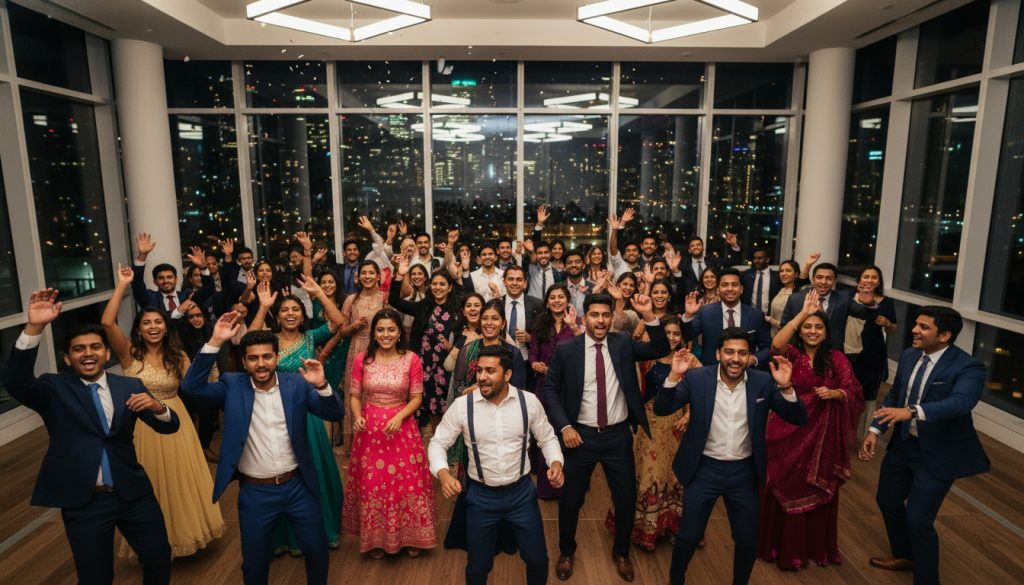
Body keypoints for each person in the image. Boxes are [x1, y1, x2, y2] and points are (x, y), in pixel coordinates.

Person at [3, 289, 179, 585]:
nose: (88, 353)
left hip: (134, 493)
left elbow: (169, 426)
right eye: (79, 349)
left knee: (159, 558)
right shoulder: (54, 389)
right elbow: (15, 381)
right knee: (95, 577)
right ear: (68, 358)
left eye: (95, 347)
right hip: (85, 501)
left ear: (106, 353)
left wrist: (158, 406)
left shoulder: (129, 386)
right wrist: (34, 328)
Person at [181, 317, 342, 585]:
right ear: (244, 362)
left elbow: (334, 412)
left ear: (276, 357)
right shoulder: (232, 385)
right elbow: (191, 388)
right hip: (256, 492)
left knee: (316, 551)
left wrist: (321, 385)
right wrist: (215, 341)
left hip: (298, 486)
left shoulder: (296, 384)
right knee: (255, 564)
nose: (261, 363)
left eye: (267, 356)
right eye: (253, 358)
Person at [653, 329, 807, 585]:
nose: (735, 359)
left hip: (744, 472)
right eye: (729, 352)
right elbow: (662, 408)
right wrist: (674, 376)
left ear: (749, 357)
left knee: (747, 539)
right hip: (704, 468)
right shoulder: (697, 378)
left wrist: (786, 386)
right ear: (718, 354)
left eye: (742, 353)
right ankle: (676, 580)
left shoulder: (763, 382)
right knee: (689, 534)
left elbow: (798, 418)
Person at [859, 306, 990, 585]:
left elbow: (961, 402)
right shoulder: (909, 355)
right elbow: (896, 394)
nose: (914, 330)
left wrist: (912, 411)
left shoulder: (968, 367)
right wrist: (874, 429)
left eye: (923, 327)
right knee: (887, 500)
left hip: (939, 453)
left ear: (944, 335)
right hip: (904, 445)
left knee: (919, 520)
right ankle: (905, 555)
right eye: (916, 324)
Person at [101, 265, 225, 559]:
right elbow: (107, 323)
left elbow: (195, 386)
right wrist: (122, 285)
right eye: (147, 323)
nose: (154, 327)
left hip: (175, 421)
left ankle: (184, 535)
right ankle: (153, 542)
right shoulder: (129, 352)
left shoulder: (177, 355)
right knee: (150, 482)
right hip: (138, 425)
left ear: (166, 327)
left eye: (159, 322)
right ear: (139, 329)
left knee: (181, 479)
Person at [544, 292, 668, 582]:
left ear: (612, 318)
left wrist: (649, 315)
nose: (600, 320)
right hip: (580, 436)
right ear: (585, 317)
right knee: (571, 500)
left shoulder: (622, 343)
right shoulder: (567, 349)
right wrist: (565, 427)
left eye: (605, 315)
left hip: (617, 437)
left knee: (626, 498)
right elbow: (550, 390)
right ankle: (566, 551)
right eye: (595, 315)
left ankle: (621, 553)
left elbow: (660, 347)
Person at [429, 345, 566, 585]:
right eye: (480, 370)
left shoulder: (529, 402)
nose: (482, 377)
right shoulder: (463, 406)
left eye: (490, 371)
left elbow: (547, 438)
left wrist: (555, 462)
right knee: (477, 568)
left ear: (508, 374)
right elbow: (438, 443)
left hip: (521, 494)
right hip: (481, 497)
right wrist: (443, 475)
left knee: (537, 561)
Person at [759, 291, 864, 570]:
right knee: (780, 481)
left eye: (819, 327)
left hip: (822, 436)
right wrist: (802, 315)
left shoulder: (837, 358)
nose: (813, 331)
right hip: (787, 427)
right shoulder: (792, 354)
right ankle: (777, 545)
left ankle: (811, 548)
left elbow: (854, 390)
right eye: (808, 327)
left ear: (827, 332)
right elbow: (776, 345)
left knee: (813, 483)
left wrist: (836, 393)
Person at [250, 278, 345, 554]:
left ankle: (321, 531)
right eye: (284, 310)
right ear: (277, 316)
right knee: (281, 473)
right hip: (274, 413)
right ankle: (284, 537)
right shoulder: (269, 341)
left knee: (310, 471)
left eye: (296, 310)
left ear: (303, 315)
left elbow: (339, 322)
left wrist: (319, 294)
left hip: (307, 412)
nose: (290, 314)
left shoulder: (311, 337)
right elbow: (248, 340)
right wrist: (263, 306)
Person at [343, 308, 437, 558]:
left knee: (407, 484)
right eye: (381, 330)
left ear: (399, 333)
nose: (385, 334)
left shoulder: (411, 359)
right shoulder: (363, 359)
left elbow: (417, 398)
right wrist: (357, 416)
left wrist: (399, 416)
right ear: (374, 333)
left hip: (402, 427)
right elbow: (354, 395)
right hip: (371, 430)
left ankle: (410, 537)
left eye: (391, 330)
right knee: (375, 485)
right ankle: (376, 539)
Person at [606, 315, 699, 551]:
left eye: (676, 334)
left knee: (674, 474)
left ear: (682, 337)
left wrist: (688, 416)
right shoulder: (648, 358)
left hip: (677, 424)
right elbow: (629, 340)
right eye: (666, 333)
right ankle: (644, 528)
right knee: (648, 473)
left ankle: (671, 526)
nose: (671, 338)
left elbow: (700, 391)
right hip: (649, 423)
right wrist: (647, 315)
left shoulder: (690, 360)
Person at [389, 256, 461, 427]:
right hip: (424, 366)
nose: (438, 287)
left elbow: (465, 333)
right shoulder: (423, 306)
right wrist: (399, 275)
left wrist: (454, 347)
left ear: (450, 287)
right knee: (428, 408)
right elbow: (393, 301)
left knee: (449, 410)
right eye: (435, 284)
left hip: (448, 366)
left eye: (442, 284)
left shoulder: (458, 309)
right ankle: (433, 443)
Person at [528, 284, 581, 499]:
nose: (557, 300)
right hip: (544, 386)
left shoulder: (575, 325)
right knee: (545, 434)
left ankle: (571, 485)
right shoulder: (539, 325)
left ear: (568, 300)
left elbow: (583, 351)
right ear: (547, 301)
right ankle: (548, 487)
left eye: (561, 297)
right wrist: (534, 365)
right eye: (553, 297)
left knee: (569, 433)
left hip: (570, 387)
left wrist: (575, 328)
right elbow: (533, 353)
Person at [338, 259, 388, 450]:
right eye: (363, 273)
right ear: (358, 277)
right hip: (357, 348)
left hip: (380, 350)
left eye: (371, 273)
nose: (367, 276)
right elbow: (342, 331)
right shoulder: (351, 300)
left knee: (377, 391)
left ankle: (378, 440)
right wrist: (354, 326)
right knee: (357, 393)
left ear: (378, 276)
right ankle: (358, 446)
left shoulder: (384, 297)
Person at [845, 266, 898, 438]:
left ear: (879, 282)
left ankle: (862, 434)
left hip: (872, 351)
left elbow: (893, 331)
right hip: (847, 348)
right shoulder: (847, 296)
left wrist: (887, 323)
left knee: (867, 392)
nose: (869, 280)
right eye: (865, 276)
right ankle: (842, 431)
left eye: (874, 277)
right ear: (859, 280)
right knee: (845, 389)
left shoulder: (886, 302)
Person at [682, 268, 771, 367]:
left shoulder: (756, 315)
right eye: (725, 285)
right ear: (718, 289)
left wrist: (754, 359)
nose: (729, 289)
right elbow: (687, 336)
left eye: (734, 285)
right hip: (711, 371)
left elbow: (767, 348)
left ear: (741, 289)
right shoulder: (705, 312)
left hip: (745, 372)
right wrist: (688, 316)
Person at [176, 299, 230, 463]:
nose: (196, 319)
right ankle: (196, 450)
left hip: (214, 379)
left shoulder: (213, 331)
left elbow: (222, 358)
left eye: (199, 315)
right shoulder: (182, 336)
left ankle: (205, 447)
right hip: (191, 382)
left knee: (210, 417)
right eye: (191, 317)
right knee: (195, 417)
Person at [781, 262, 868, 349]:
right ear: (813, 279)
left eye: (829, 278)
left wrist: (870, 303)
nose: (823, 282)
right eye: (819, 277)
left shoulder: (843, 298)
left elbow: (865, 314)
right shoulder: (795, 299)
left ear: (834, 281)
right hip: (801, 353)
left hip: (833, 354)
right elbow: (785, 327)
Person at [131, 233, 214, 318]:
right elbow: (137, 283)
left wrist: (203, 267)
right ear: (155, 282)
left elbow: (208, 289)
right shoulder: (150, 298)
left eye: (170, 277)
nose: (166, 281)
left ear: (176, 279)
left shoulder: (186, 296)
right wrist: (142, 256)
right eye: (161, 278)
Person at [767, 256, 814, 337]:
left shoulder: (800, 292)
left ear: (796, 275)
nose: (784, 274)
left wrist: (807, 265)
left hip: (790, 336)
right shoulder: (779, 289)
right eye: (781, 271)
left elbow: (804, 281)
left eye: (788, 271)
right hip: (774, 335)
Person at [740, 248, 781, 314]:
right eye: (755, 258)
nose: (756, 261)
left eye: (759, 258)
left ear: (767, 260)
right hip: (750, 315)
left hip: (770, 317)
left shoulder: (777, 276)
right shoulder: (747, 274)